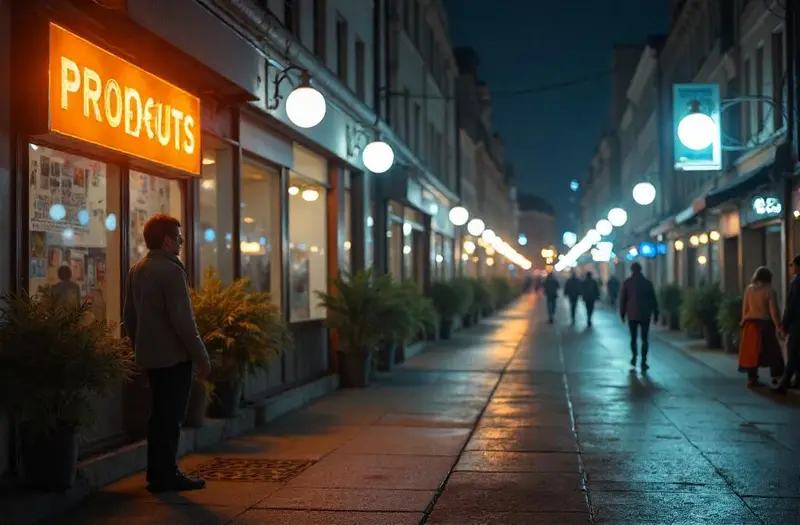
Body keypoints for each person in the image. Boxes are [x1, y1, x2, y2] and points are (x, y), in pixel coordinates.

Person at [123, 214, 212, 492]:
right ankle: (167, 473)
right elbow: (183, 321)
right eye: (180, 238)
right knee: (171, 416)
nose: (182, 243)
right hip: (174, 358)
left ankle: (156, 473)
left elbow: (129, 316)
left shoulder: (137, 269)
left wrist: (139, 345)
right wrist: (201, 355)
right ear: (168, 240)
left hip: (150, 357)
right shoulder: (172, 271)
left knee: (158, 415)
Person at [738, 266, 785, 388]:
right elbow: (773, 311)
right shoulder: (769, 291)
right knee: (773, 351)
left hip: (750, 323)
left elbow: (745, 308)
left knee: (751, 353)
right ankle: (776, 378)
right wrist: (778, 326)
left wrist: (743, 321)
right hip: (764, 324)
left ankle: (752, 379)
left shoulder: (749, 289)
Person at [620, 262, 659, 371]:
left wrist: (622, 313)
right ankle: (643, 360)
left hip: (632, 314)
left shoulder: (627, 283)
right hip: (645, 314)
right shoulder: (647, 283)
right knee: (644, 338)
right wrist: (656, 313)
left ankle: (634, 357)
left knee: (633, 338)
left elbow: (623, 300)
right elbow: (653, 299)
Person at [775, 258, 800, 393]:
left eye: (792, 265)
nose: (791, 268)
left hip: (797, 324)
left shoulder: (796, 283)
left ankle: (784, 383)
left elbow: (791, 306)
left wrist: (784, 325)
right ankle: (796, 381)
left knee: (793, 352)